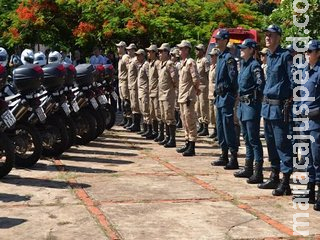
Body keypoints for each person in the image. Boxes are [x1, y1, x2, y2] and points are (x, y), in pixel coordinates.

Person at [258, 24, 293, 196]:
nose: (267, 38)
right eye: (266, 35)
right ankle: (274, 175)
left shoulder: (285, 56)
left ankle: (285, 181)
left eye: (271, 35)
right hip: (267, 106)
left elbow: (294, 82)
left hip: (280, 107)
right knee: (270, 143)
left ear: (278, 37)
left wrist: (291, 103)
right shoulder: (269, 57)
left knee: (282, 144)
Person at [292, 40, 320, 209]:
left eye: (310, 51)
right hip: (305, 122)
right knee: (308, 158)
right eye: (306, 51)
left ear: (318, 53)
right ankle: (309, 191)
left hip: (317, 121)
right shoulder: (305, 71)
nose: (307, 54)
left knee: (318, 158)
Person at [233, 39, 265, 184]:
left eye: (244, 48)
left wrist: (254, 98)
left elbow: (260, 84)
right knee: (246, 138)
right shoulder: (243, 65)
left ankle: (258, 172)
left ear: (251, 50)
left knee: (253, 139)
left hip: (251, 107)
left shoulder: (254, 66)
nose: (241, 50)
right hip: (242, 106)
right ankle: (248, 168)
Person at [210, 29, 239, 169]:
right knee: (220, 127)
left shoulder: (229, 58)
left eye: (219, 39)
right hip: (219, 97)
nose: (216, 41)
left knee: (228, 127)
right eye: (216, 39)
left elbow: (233, 79)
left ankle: (233, 157)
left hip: (227, 96)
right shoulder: (220, 57)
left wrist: (232, 95)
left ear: (225, 40)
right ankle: (223, 154)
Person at [176, 40, 200, 156]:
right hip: (182, 96)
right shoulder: (182, 63)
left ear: (187, 50)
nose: (179, 51)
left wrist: (195, 91)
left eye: (181, 49)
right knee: (184, 120)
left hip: (188, 96)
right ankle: (187, 142)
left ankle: (192, 145)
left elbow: (195, 79)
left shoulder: (191, 62)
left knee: (190, 121)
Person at [157, 43, 179, 148]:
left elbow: (175, 79)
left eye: (162, 51)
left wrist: (173, 90)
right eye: (159, 52)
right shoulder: (162, 64)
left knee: (170, 117)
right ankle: (167, 137)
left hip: (168, 94)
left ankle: (172, 139)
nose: (159, 54)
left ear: (167, 52)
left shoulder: (169, 64)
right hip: (162, 94)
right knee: (164, 117)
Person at [146, 44, 161, 139]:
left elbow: (161, 77)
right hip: (151, 91)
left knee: (157, 114)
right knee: (152, 114)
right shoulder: (150, 63)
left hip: (156, 92)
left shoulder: (157, 63)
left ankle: (160, 133)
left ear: (154, 53)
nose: (148, 53)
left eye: (150, 52)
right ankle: (154, 132)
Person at [195, 44, 210, 136]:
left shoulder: (205, 61)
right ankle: (200, 125)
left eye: (198, 50)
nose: (196, 51)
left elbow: (208, 74)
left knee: (203, 107)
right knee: (198, 107)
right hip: (197, 87)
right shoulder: (197, 61)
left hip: (204, 87)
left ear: (202, 51)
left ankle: (205, 127)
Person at [136, 49, 151, 138]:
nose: (137, 57)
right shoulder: (141, 65)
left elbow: (150, 78)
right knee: (142, 110)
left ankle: (149, 129)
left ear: (142, 55)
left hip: (145, 91)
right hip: (141, 90)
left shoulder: (146, 65)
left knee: (146, 111)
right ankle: (145, 129)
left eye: (138, 55)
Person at [126, 43, 141, 132]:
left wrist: (135, 84)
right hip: (131, 85)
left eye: (130, 50)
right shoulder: (131, 60)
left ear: (133, 50)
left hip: (134, 86)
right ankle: (134, 124)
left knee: (136, 105)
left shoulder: (135, 61)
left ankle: (137, 125)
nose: (128, 51)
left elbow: (139, 74)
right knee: (132, 105)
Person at [116, 41, 131, 127]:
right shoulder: (121, 58)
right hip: (121, 81)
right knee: (122, 101)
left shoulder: (125, 57)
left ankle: (129, 119)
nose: (118, 49)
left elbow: (129, 70)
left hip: (125, 81)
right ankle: (125, 119)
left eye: (119, 47)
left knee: (126, 101)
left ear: (123, 48)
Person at [208, 48, 220, 139]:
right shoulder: (211, 67)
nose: (211, 57)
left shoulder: (218, 67)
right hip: (210, 94)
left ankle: (219, 132)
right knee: (211, 114)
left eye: (213, 56)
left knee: (216, 115)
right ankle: (215, 130)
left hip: (216, 94)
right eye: (210, 56)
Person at [170, 48, 182, 129]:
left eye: (173, 55)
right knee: (175, 105)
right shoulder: (173, 64)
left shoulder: (178, 64)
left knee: (178, 105)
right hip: (174, 87)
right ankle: (177, 120)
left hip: (178, 86)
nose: (171, 57)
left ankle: (179, 121)